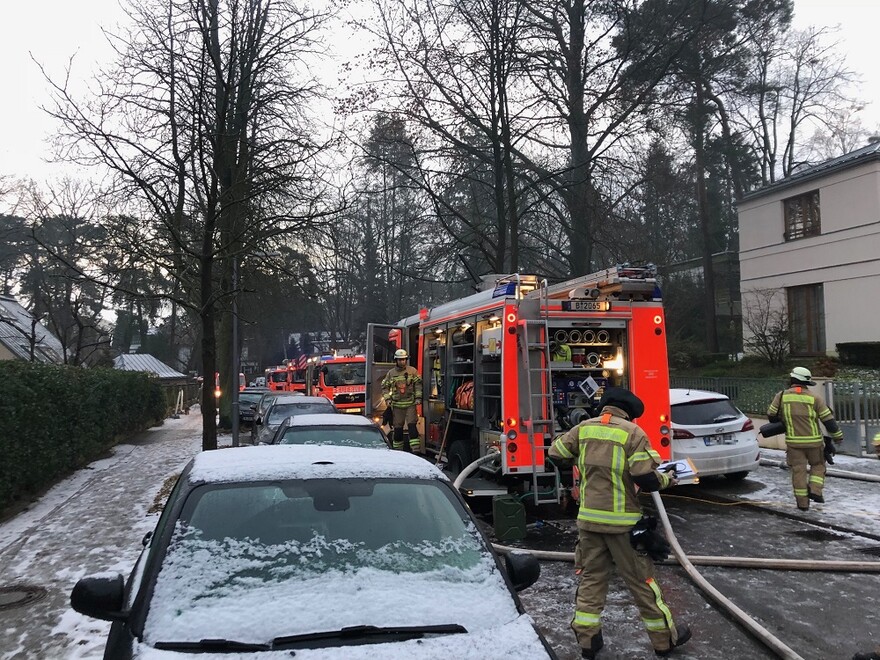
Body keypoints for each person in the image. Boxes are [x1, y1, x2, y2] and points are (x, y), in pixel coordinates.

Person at [549, 387, 691, 658]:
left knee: (591, 579)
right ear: (629, 413)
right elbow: (646, 478)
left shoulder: (583, 429)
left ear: (604, 407)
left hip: (589, 522)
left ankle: (588, 642)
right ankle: (664, 641)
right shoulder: (632, 433)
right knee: (642, 582)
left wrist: (580, 468)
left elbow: (555, 454)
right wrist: (667, 479)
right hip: (623, 526)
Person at [767, 367, 843, 511]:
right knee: (818, 466)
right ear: (806, 382)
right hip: (814, 443)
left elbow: (771, 416)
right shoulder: (815, 398)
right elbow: (829, 421)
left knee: (798, 471)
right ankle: (815, 491)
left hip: (794, 443)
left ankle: (802, 504)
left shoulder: (782, 396)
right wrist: (838, 437)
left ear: (792, 379)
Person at [381, 349, 423, 452]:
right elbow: (384, 387)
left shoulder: (412, 371)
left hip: (410, 404)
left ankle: (416, 450)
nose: (402, 362)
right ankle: (398, 451)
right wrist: (387, 399)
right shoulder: (391, 373)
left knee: (412, 427)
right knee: (398, 429)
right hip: (397, 405)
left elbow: (418, 385)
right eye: (400, 360)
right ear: (396, 360)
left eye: (404, 360)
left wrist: (418, 398)